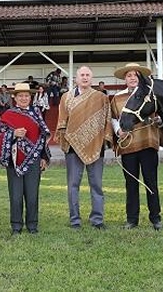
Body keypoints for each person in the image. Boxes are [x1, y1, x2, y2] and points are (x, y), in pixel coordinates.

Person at [110, 63, 163, 231]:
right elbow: (113, 118)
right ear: (124, 79)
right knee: (131, 183)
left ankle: (155, 218)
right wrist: (118, 130)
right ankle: (132, 219)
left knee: (151, 181)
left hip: (148, 142)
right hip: (128, 145)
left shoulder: (151, 94)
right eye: (129, 75)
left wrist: (160, 121)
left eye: (135, 75)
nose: (132, 78)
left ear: (140, 78)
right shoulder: (117, 98)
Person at [55, 65, 111, 230]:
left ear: (91, 78)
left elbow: (106, 120)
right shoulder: (66, 97)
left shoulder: (101, 98)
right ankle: (75, 220)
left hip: (96, 145)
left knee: (97, 185)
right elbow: (62, 120)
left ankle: (97, 219)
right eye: (82, 75)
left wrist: (105, 140)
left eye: (87, 75)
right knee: (73, 185)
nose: (85, 77)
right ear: (76, 78)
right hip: (73, 146)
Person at [0, 83, 51, 235]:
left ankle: (32, 225)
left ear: (30, 97)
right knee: (15, 195)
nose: (24, 98)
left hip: (34, 160)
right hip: (14, 162)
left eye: (26, 96)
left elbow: (44, 136)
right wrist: (13, 134)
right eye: (20, 96)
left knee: (32, 195)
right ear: (15, 97)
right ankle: (16, 226)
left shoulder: (37, 113)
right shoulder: (8, 114)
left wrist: (44, 157)